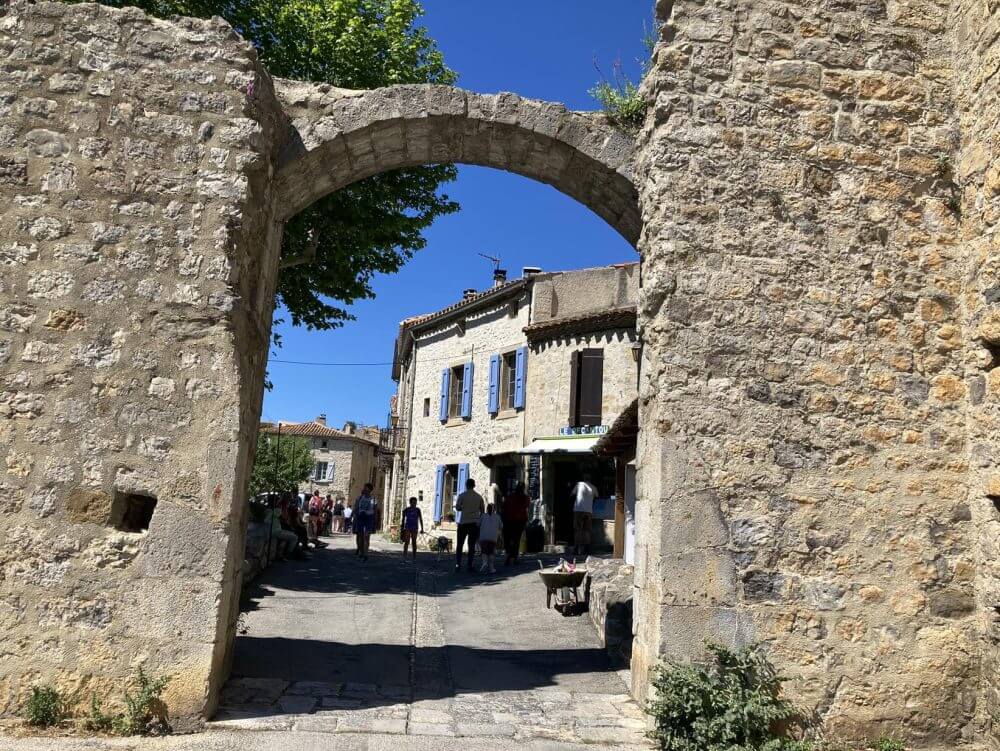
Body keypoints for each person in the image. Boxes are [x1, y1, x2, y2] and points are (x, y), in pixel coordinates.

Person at [454, 478, 484, 572]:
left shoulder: (462, 496)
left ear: (466, 485)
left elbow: (457, 508)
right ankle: (469, 565)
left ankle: (458, 564)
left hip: (463, 522)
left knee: (460, 545)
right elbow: (482, 511)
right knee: (471, 545)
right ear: (474, 485)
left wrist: (464, 508)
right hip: (474, 523)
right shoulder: (479, 497)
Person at [502, 481, 531, 566]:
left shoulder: (510, 496)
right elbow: (527, 506)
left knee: (508, 539)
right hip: (520, 521)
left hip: (509, 520)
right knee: (516, 540)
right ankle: (514, 558)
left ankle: (508, 555)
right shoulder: (525, 498)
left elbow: (504, 506)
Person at [572, 474, 598, 556]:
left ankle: (576, 548)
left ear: (583, 478)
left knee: (578, 529)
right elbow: (597, 496)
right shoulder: (593, 487)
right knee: (587, 530)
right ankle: (587, 549)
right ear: (590, 479)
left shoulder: (579, 484)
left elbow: (572, 494)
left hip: (578, 509)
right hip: (588, 511)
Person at [354, 483, 377, 560]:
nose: (364, 489)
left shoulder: (373, 499)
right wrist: (355, 517)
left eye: (366, 488)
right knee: (360, 535)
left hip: (369, 518)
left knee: (367, 536)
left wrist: (375, 521)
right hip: (361, 517)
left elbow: (375, 510)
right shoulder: (360, 498)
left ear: (370, 490)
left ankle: (366, 553)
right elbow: (356, 508)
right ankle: (361, 552)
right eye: (364, 488)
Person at [478, 503, 501, 574]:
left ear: (487, 509)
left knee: (484, 551)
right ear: (495, 509)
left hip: (483, 536)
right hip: (493, 537)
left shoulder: (482, 515)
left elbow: (478, 524)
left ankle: (485, 563)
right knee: (491, 552)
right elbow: (500, 527)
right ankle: (491, 567)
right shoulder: (498, 517)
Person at [401, 496, 423, 562]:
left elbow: (420, 519)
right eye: (413, 503)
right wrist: (402, 528)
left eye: (415, 503)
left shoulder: (418, 510)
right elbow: (403, 520)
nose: (414, 504)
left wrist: (422, 528)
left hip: (415, 528)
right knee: (406, 542)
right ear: (410, 503)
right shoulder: (406, 510)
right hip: (407, 527)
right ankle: (404, 557)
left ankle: (414, 558)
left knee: (414, 542)